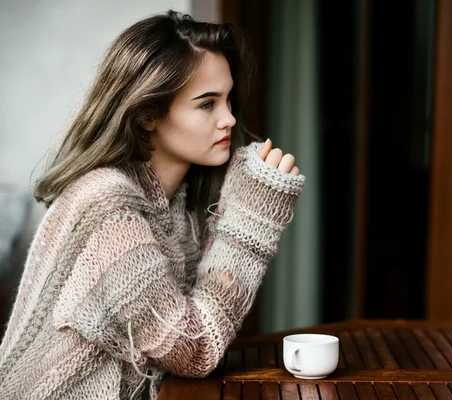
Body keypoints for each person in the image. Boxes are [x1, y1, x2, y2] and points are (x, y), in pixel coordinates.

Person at [0, 9, 304, 400]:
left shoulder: (177, 205)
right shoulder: (108, 207)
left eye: (229, 100)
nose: (229, 118)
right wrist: (253, 222)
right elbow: (195, 348)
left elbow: (205, 318)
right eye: (207, 104)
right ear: (147, 114)